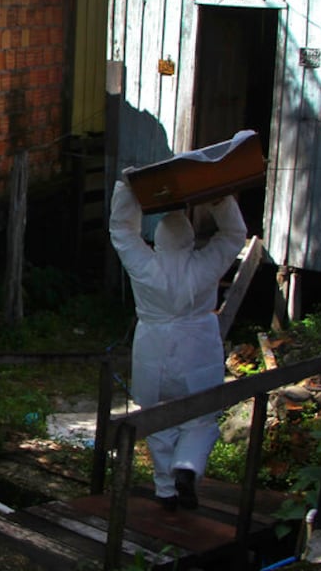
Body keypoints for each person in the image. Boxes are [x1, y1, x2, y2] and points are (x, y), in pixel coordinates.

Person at [108, 179, 246, 511]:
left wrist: (127, 189)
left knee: (157, 419)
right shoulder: (203, 265)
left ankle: (165, 490)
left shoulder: (146, 265)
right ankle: (187, 467)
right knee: (200, 418)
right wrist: (219, 198)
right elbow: (233, 236)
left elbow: (122, 231)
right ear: (188, 240)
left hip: (153, 349)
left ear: (159, 241)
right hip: (197, 348)